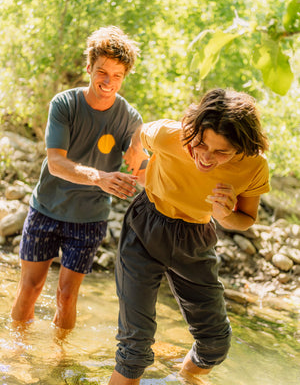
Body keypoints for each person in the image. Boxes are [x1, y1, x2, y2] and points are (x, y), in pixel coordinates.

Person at [108, 88, 270, 384]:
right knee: (135, 348)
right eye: (200, 144)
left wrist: (225, 216)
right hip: (146, 226)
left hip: (196, 239)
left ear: (241, 147)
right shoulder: (171, 135)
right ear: (192, 130)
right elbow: (140, 132)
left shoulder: (253, 166)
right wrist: (137, 157)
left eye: (222, 152)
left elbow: (246, 218)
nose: (206, 158)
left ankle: (183, 378)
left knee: (215, 344)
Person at [11, 26, 147, 331]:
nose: (108, 82)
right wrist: (101, 178)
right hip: (46, 209)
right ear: (89, 67)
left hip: (89, 219)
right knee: (30, 288)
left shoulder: (131, 120)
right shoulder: (64, 104)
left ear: (124, 77)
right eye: (102, 72)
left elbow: (142, 171)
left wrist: (144, 147)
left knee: (67, 296)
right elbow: (56, 163)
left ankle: (60, 365)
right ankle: (16, 361)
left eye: (117, 76)